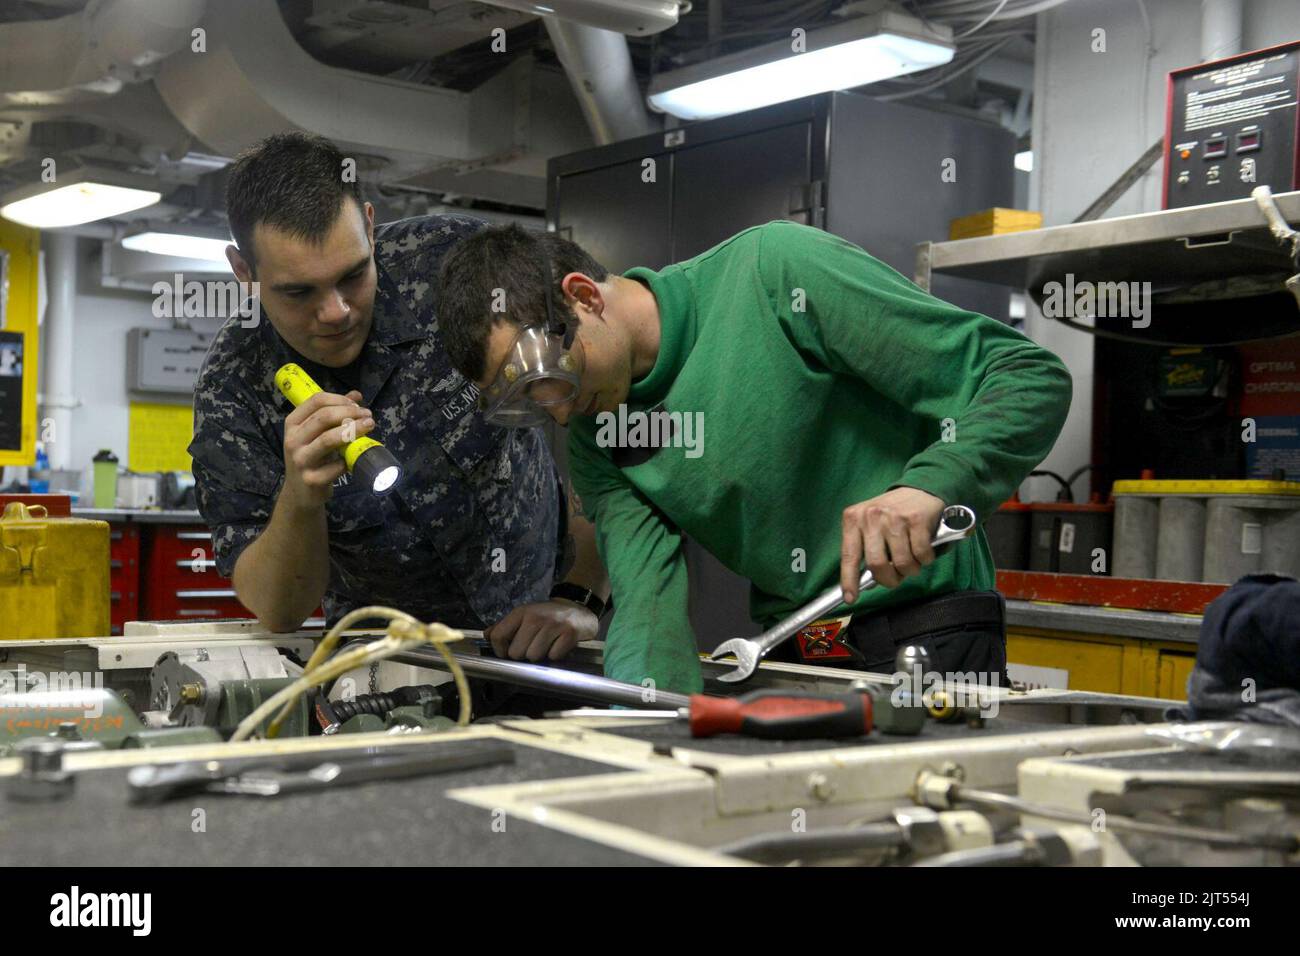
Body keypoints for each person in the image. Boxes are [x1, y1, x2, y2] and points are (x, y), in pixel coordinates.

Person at [435, 220, 1073, 694]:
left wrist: (930, 486)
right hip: (792, 652)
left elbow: (1026, 376)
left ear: (584, 297)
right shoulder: (603, 433)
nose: (561, 411)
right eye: (531, 403)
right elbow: (648, 608)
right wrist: (641, 730)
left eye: (554, 378)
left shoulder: (777, 274)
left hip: (931, 636)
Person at [189, 132, 608, 660]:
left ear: (368, 224)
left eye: (352, 275)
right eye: (299, 292)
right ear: (243, 271)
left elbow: (607, 391)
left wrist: (581, 594)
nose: (337, 311)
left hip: (546, 647)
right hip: (384, 672)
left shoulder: (456, 266)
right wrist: (301, 496)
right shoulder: (234, 387)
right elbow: (279, 609)